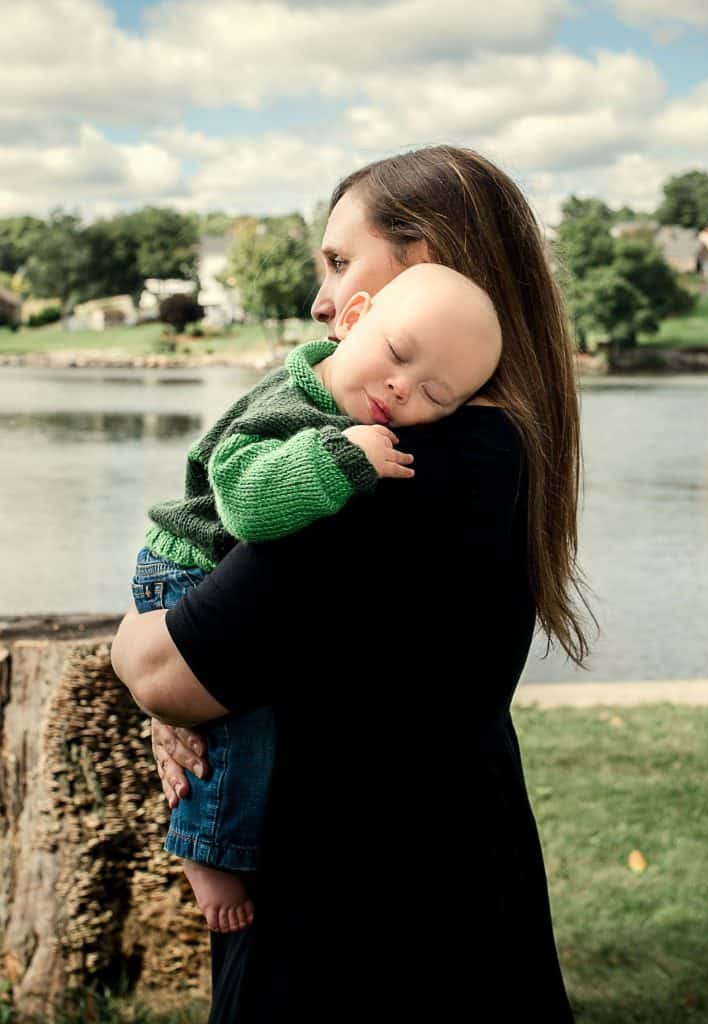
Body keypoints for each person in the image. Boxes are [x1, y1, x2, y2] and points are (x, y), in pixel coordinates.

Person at [112, 144, 594, 1021]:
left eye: (340, 261)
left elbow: (160, 673)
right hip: (455, 872)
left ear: (426, 265)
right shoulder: (496, 446)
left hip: (347, 914)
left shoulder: (388, 468)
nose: (321, 300)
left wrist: (141, 647)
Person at [130, 263, 502, 934]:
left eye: (433, 394)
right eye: (396, 355)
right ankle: (203, 848)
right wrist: (344, 461)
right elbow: (243, 503)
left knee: (230, 706)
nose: (399, 387)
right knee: (238, 720)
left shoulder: (349, 400)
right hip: (184, 560)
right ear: (356, 320)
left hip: (202, 567)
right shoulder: (297, 405)